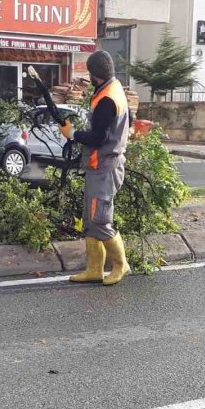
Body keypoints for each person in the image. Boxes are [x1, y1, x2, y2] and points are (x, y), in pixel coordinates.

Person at [60, 50, 130, 286]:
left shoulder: (107, 99)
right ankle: (94, 269)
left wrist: (73, 134)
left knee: (100, 219)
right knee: (90, 218)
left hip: (105, 167)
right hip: (99, 166)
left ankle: (121, 265)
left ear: (93, 75)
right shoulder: (112, 88)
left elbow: (98, 137)